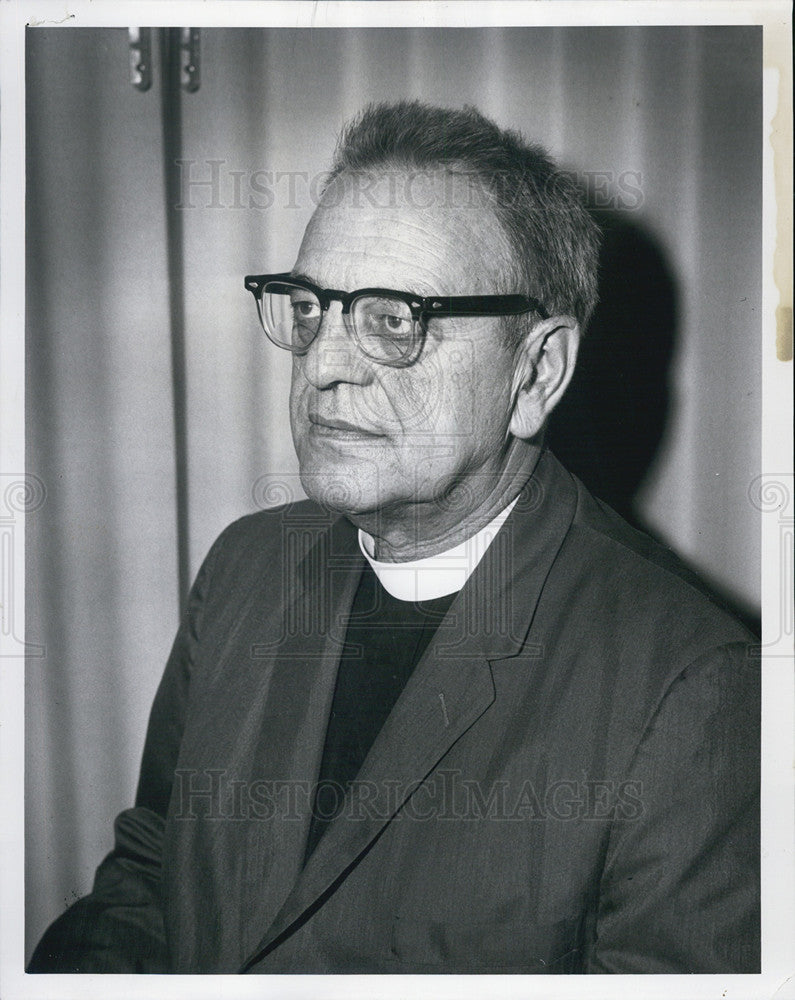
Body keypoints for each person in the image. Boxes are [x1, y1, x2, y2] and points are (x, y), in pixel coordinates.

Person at [28, 101, 759, 975]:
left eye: (394, 319)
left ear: (535, 373)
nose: (325, 366)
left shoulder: (694, 691)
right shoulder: (247, 566)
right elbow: (149, 876)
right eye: (309, 307)